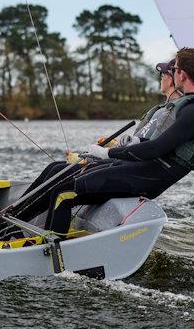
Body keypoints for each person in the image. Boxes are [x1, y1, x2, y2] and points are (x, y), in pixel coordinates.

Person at [19, 48, 194, 236]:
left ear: (182, 75)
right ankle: (11, 226)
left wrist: (107, 153)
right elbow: (159, 143)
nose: (173, 72)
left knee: (63, 194)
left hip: (149, 178)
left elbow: (156, 149)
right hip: (141, 169)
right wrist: (135, 141)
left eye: (176, 69)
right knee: (60, 174)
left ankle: (52, 251)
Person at [12, 59, 184, 228]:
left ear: (173, 78)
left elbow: (152, 149)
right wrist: (114, 145)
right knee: (55, 168)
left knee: (60, 182)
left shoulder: (173, 113)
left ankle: (14, 225)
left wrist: (106, 155)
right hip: (121, 162)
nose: (160, 77)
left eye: (163, 74)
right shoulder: (161, 110)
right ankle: (12, 217)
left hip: (129, 170)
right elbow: (141, 143)